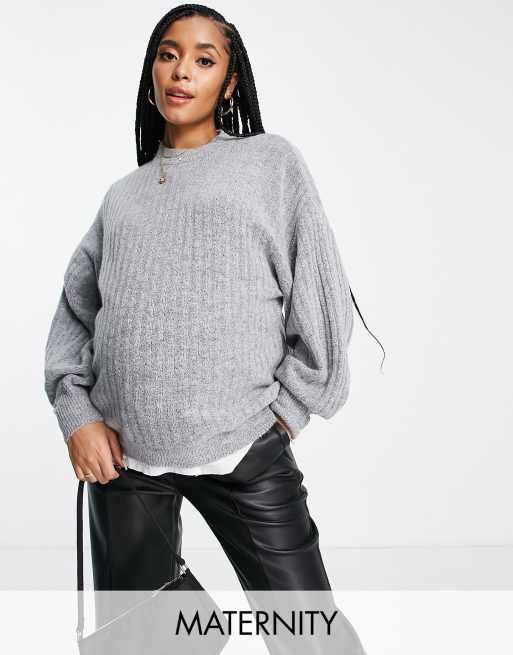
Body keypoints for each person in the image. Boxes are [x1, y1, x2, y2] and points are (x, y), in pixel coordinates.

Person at [44, 5, 376, 653]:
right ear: (151, 72)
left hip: (244, 449)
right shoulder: (123, 196)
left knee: (310, 636)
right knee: (137, 645)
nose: (182, 71)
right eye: (168, 55)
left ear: (228, 84)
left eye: (204, 59)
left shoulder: (270, 165)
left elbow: (321, 298)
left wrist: (284, 416)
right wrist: (77, 413)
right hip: (126, 465)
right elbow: (74, 317)